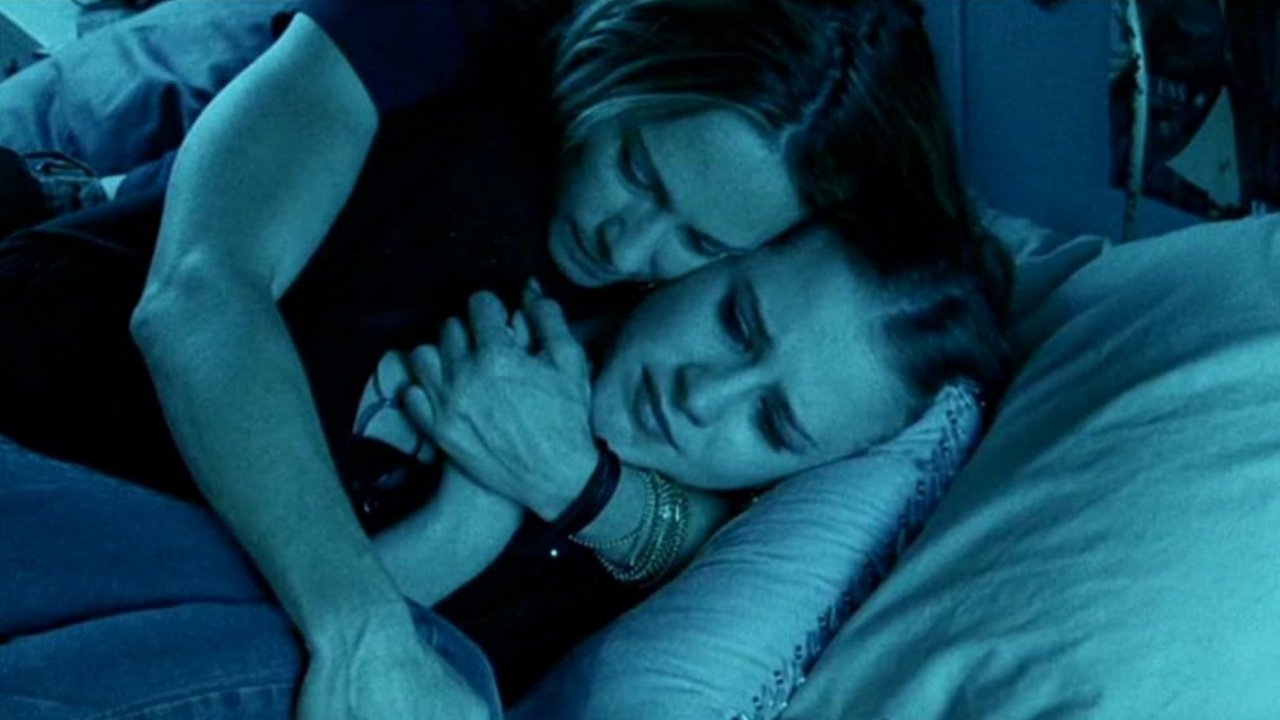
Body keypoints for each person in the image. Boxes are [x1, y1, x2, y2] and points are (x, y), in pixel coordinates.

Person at [0, 0, 1010, 715]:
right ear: (618, 66)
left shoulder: (637, 399)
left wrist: (569, 491)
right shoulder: (468, 116)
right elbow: (199, 297)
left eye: (702, 241)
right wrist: (367, 627)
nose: (628, 245)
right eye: (637, 170)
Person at [1, 220, 1006, 719]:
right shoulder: (502, 241)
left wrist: (516, 498)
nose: (703, 395)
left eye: (773, 423)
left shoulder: (625, 579)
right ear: (714, 255)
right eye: (736, 321)